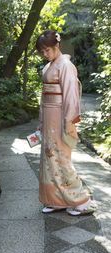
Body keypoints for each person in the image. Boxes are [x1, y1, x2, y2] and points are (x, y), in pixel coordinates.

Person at [36, 29, 95, 216]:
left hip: (60, 116)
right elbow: (44, 96)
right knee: (48, 158)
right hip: (49, 115)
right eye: (42, 52)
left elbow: (71, 95)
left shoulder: (65, 65)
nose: (45, 54)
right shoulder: (51, 65)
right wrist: (41, 121)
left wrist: (69, 121)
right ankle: (56, 199)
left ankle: (82, 201)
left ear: (57, 46)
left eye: (48, 50)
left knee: (61, 158)